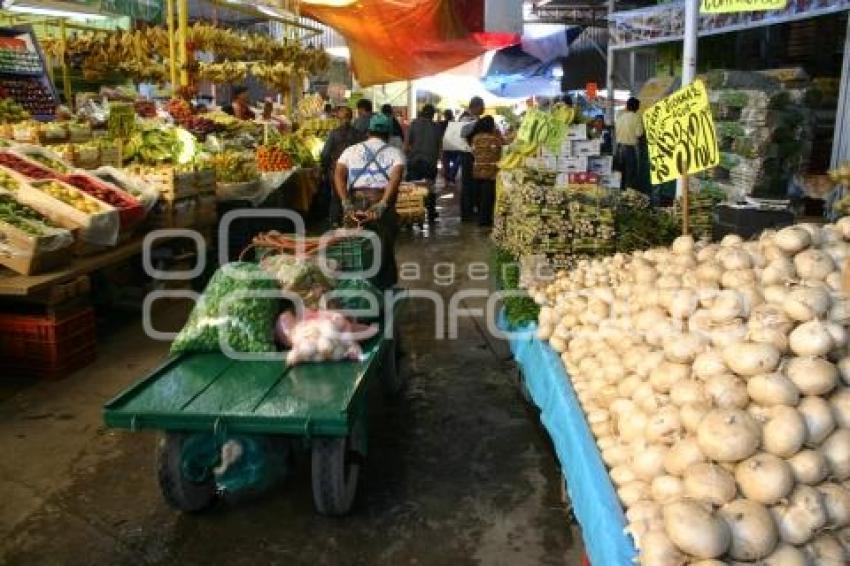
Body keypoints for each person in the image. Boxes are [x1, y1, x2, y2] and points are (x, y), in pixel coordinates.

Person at [335, 113, 405, 289]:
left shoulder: (350, 151)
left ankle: (354, 290)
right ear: (388, 134)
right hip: (381, 205)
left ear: (368, 132)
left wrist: (345, 201)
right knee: (383, 248)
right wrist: (382, 204)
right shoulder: (395, 153)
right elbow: (395, 180)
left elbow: (338, 174)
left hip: (355, 204)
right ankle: (381, 291)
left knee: (354, 247)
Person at [320, 106, 363, 226]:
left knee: (336, 196)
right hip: (354, 171)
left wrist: (324, 168)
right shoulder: (358, 134)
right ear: (351, 118)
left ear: (339, 118)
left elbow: (325, 154)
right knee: (352, 195)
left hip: (337, 170)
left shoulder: (334, 134)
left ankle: (335, 222)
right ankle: (352, 220)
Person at [405, 104, 442, 222]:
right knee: (430, 187)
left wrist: (408, 156)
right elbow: (439, 147)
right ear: (432, 115)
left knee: (413, 188)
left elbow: (406, 145)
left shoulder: (413, 124)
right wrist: (437, 161)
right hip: (430, 162)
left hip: (414, 161)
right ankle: (431, 212)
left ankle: (412, 215)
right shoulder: (436, 127)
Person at [469, 116, 503, 227]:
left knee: (479, 196)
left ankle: (480, 217)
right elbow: (499, 149)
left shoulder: (475, 138)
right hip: (490, 170)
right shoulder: (494, 138)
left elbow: (473, 151)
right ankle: (485, 220)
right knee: (488, 197)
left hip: (477, 169)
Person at [459, 96, 485, 221]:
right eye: (482, 107)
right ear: (476, 106)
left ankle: (470, 210)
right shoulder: (466, 118)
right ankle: (466, 213)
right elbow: (463, 133)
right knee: (468, 183)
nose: (483, 109)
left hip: (472, 155)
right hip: (467, 155)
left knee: (472, 183)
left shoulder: (474, 118)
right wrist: (477, 124)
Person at [615, 97, 643, 192]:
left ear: (627, 106)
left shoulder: (620, 117)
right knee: (630, 175)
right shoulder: (636, 117)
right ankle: (628, 197)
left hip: (618, 149)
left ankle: (620, 194)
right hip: (630, 149)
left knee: (620, 175)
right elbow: (639, 134)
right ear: (637, 108)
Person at [438, 109, 459, 186]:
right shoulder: (456, 124)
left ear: (445, 115)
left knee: (446, 163)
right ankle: (451, 178)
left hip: (446, 145)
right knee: (455, 162)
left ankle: (447, 179)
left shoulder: (441, 124)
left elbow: (440, 135)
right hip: (454, 146)